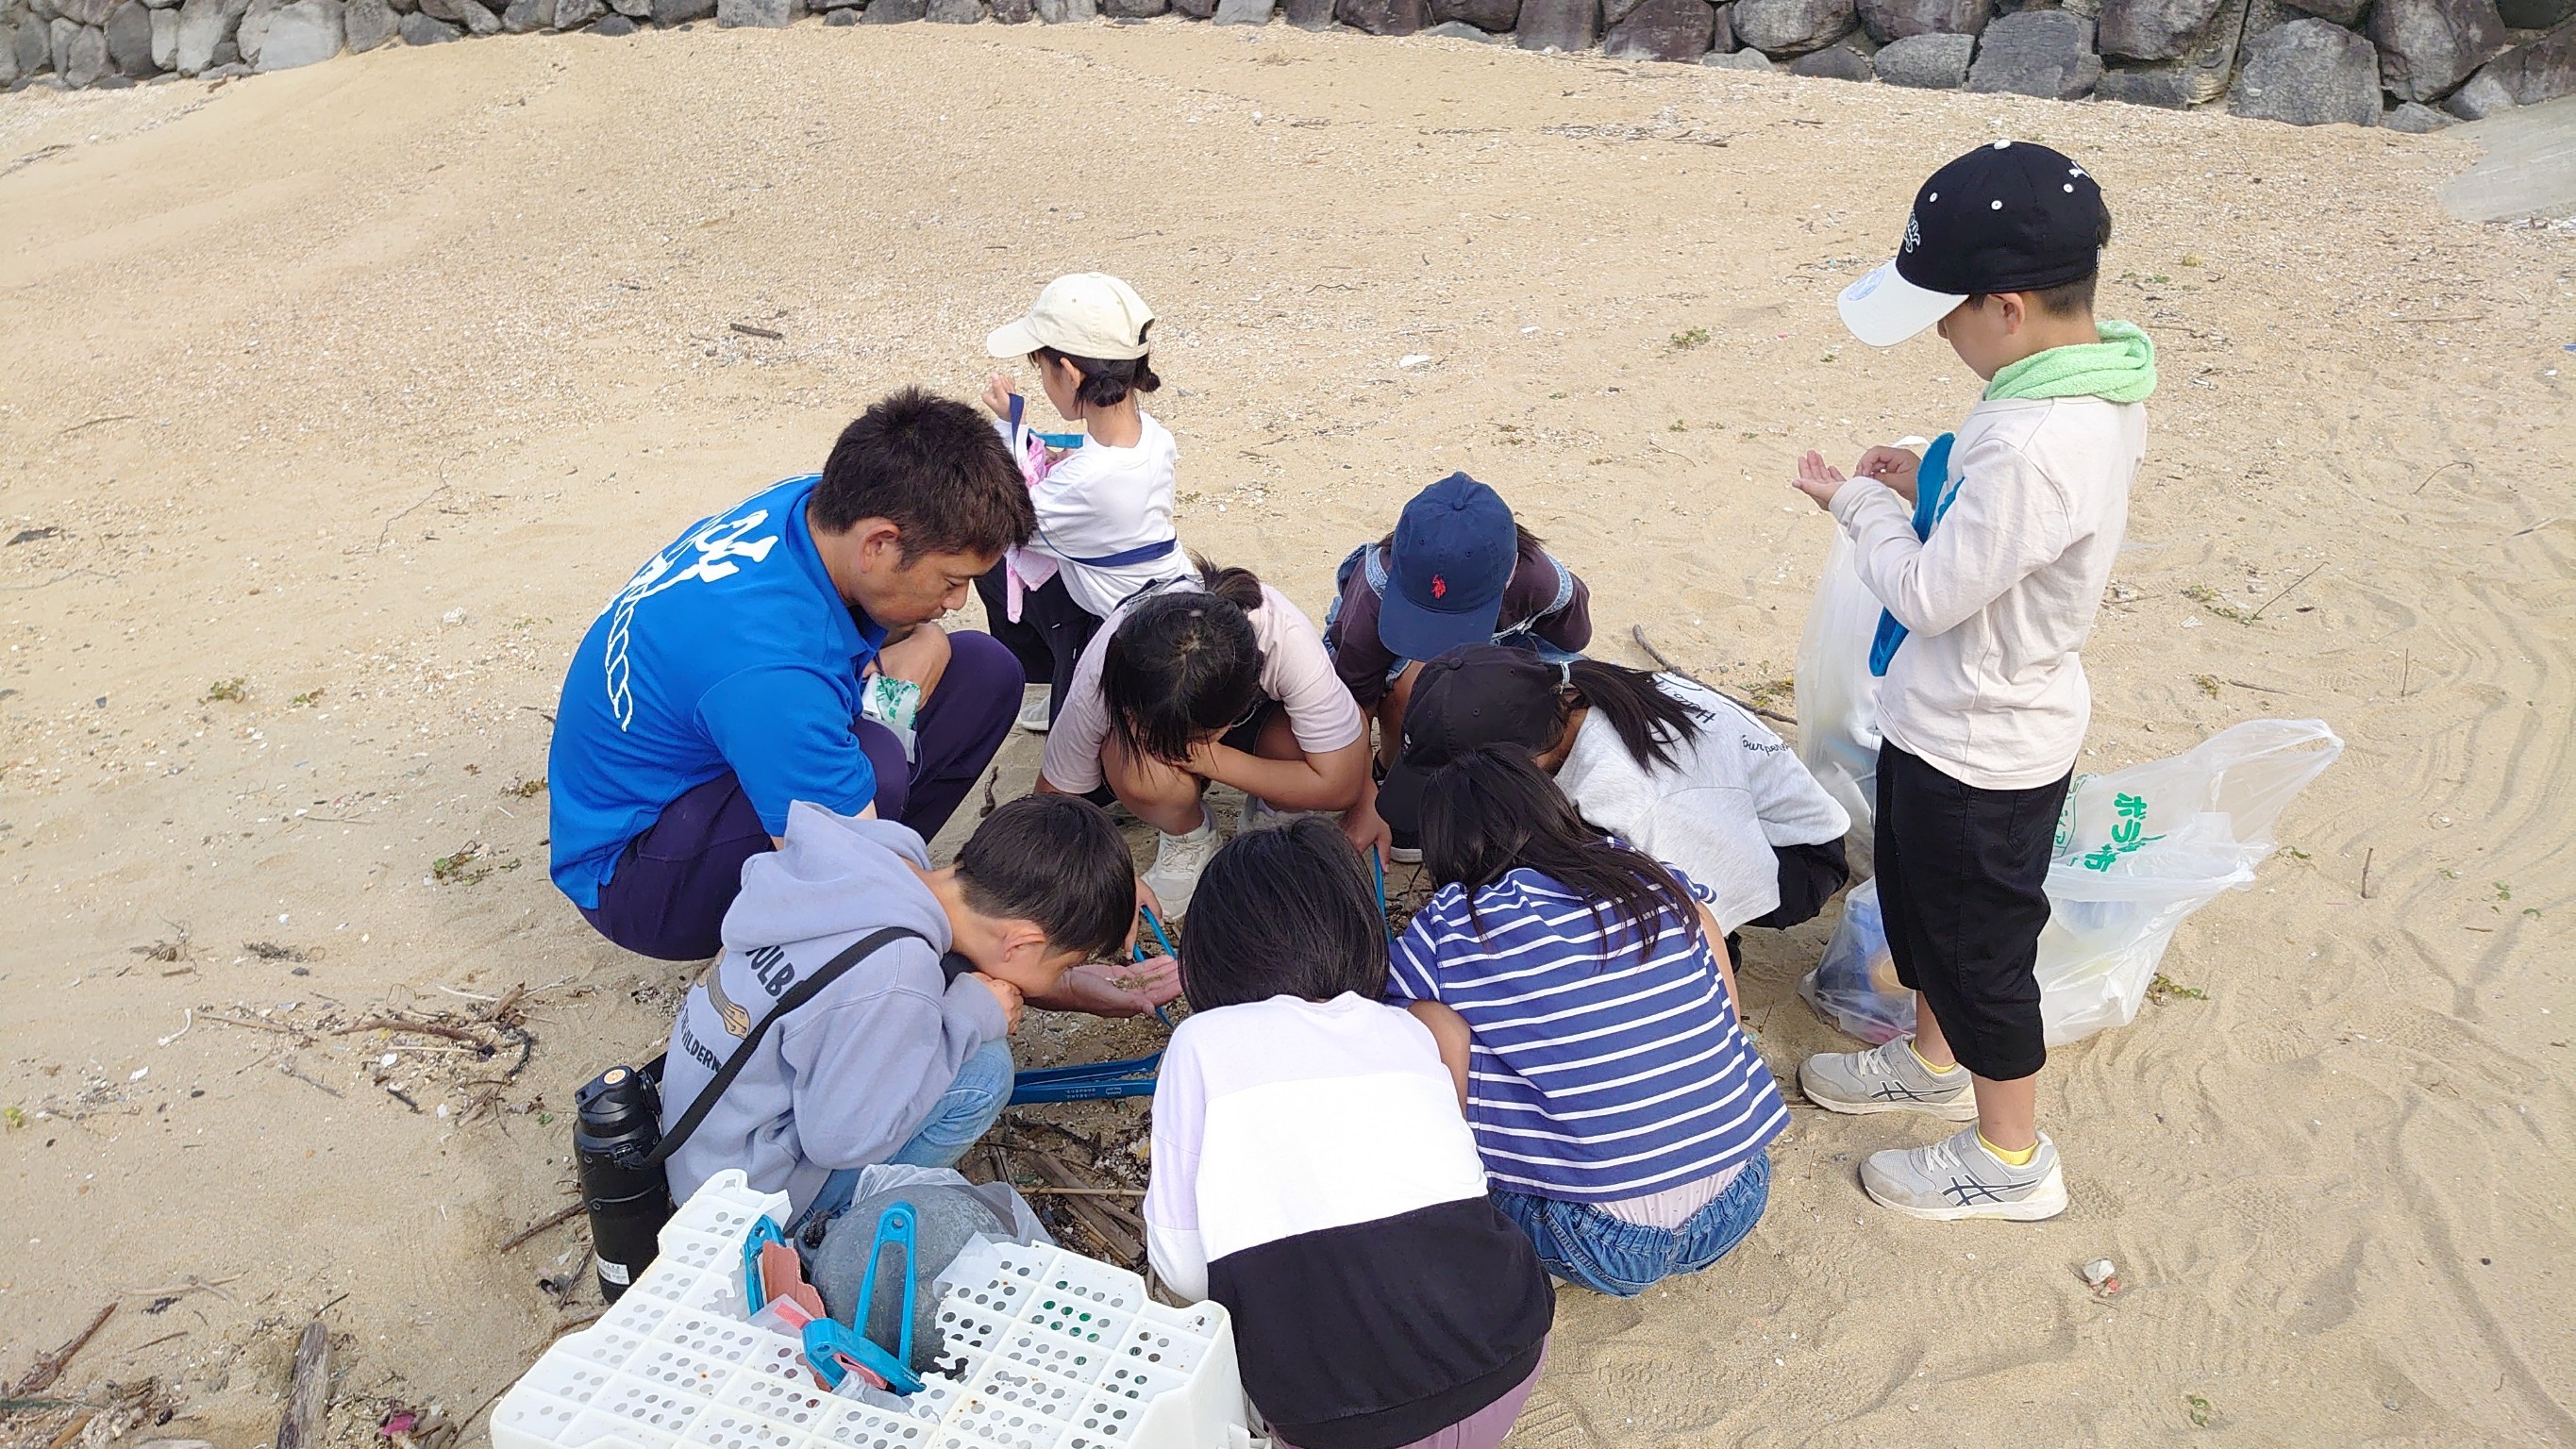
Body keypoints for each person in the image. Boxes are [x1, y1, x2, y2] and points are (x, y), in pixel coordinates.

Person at [1789, 140, 2150, 1224]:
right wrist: (1936, 471)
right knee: (1924, 914)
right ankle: (1928, 1058)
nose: (1939, 332)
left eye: (1944, 312)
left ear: (2003, 308)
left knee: (1982, 956)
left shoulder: (2038, 439)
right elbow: (2006, 532)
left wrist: (1858, 507)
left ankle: (2010, 1160)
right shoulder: (2087, 383)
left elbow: (1928, 594)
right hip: (1947, 721)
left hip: (1981, 748)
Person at [547, 389, 1048, 964]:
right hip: (636, 876)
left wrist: (923, 649)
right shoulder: (769, 668)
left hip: (714, 760)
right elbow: (843, 855)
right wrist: (1004, 951)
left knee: (984, 672)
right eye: (951, 580)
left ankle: (856, 873)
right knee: (876, 771)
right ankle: (828, 944)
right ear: (880, 544)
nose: (958, 601)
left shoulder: (815, 507)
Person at [1144, 819, 1553, 1449]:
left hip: (1337, 1424)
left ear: (1212, 950)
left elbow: (1181, 1265)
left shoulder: (1200, 1042)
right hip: (1511, 1353)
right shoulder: (1406, 1032)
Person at [1384, 747, 1788, 1299]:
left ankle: (1454, 1196)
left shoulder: (1451, 924)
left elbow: (1395, 1024)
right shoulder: (1645, 876)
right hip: (1740, 1189)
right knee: (1693, 917)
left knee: (1431, 1019)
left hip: (1595, 1239)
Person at [659, 794, 1147, 1228]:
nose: (1069, 971)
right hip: (742, 1205)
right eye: (1070, 962)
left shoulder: (879, 860)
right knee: (986, 1071)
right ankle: (833, 1228)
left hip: (703, 1143)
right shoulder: (895, 971)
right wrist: (968, 1020)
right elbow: (841, 1143)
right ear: (1022, 942)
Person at [1375, 646, 1850, 965]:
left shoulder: (1638, 801)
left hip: (1792, 856)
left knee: (1607, 906)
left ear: (1528, 761)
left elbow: (1699, 916)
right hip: (1717, 814)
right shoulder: (1571, 693)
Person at [1034, 561, 1369, 916]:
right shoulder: (1105, 669)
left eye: (1187, 740)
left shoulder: (1285, 636)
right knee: (1133, 764)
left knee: (1301, 745)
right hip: (1186, 728)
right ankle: (1188, 834)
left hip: (1259, 728)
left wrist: (1206, 758)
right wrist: (1106, 880)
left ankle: (1274, 811)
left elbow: (1340, 784)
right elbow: (1053, 796)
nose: (1176, 750)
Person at [1324, 474, 1591, 856]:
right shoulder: (1373, 594)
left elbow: (1568, 652)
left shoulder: (1543, 584)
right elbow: (1354, 703)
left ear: (1509, 576)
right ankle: (1395, 766)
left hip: (1506, 647)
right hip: (1399, 663)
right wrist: (1364, 793)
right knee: (1422, 688)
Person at [971, 273, 1192, 733]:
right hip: (1150, 591)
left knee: (987, 553)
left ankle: (1058, 683)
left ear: (1069, 373)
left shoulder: (1086, 482)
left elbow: (1007, 515)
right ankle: (1056, 683)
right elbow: (1093, 484)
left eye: (1044, 370)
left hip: (1117, 627)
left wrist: (1010, 425)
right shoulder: (1153, 436)